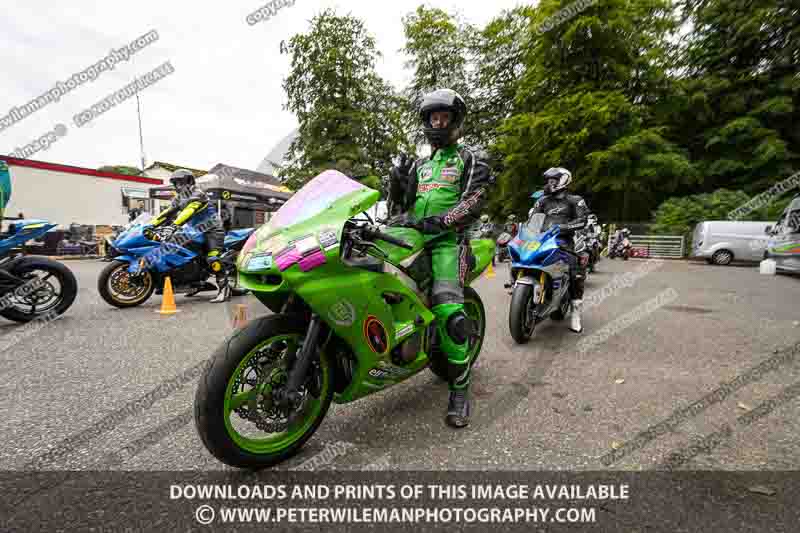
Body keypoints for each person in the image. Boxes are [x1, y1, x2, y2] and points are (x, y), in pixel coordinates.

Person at [387, 88, 494, 429]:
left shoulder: (471, 159)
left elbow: (472, 203)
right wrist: (395, 185)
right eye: (433, 118)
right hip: (413, 237)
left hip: (450, 243)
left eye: (444, 117)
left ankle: (460, 389)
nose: (438, 122)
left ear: (456, 121)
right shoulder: (419, 164)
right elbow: (397, 212)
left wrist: (438, 223)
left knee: (448, 310)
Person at [149, 169, 230, 302]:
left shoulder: (198, 194)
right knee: (181, 252)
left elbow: (189, 211)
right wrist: (150, 226)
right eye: (176, 183)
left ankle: (224, 288)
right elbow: (167, 213)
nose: (178, 186)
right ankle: (194, 282)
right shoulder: (179, 198)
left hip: (212, 229)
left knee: (212, 258)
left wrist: (175, 225)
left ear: (190, 182)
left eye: (181, 182)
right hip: (194, 230)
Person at [529, 167, 589, 333]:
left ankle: (576, 313)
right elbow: (532, 219)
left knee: (575, 273)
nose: (550, 183)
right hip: (540, 240)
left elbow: (582, 220)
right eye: (548, 180)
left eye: (553, 180)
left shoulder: (574, 200)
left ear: (563, 180)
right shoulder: (542, 201)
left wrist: (563, 227)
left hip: (564, 241)